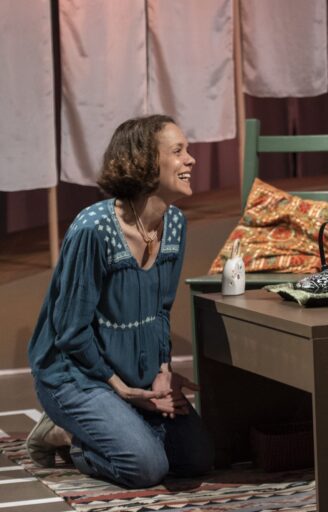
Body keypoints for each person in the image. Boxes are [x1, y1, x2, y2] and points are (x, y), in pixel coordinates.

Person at [26, 114, 214, 489]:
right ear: (145, 162)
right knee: (145, 468)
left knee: (197, 459)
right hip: (74, 374)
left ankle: (121, 421)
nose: (191, 160)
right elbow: (70, 331)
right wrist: (123, 389)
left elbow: (161, 311)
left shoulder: (175, 225)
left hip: (132, 370)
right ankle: (69, 437)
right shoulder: (93, 229)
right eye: (178, 151)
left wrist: (162, 371)